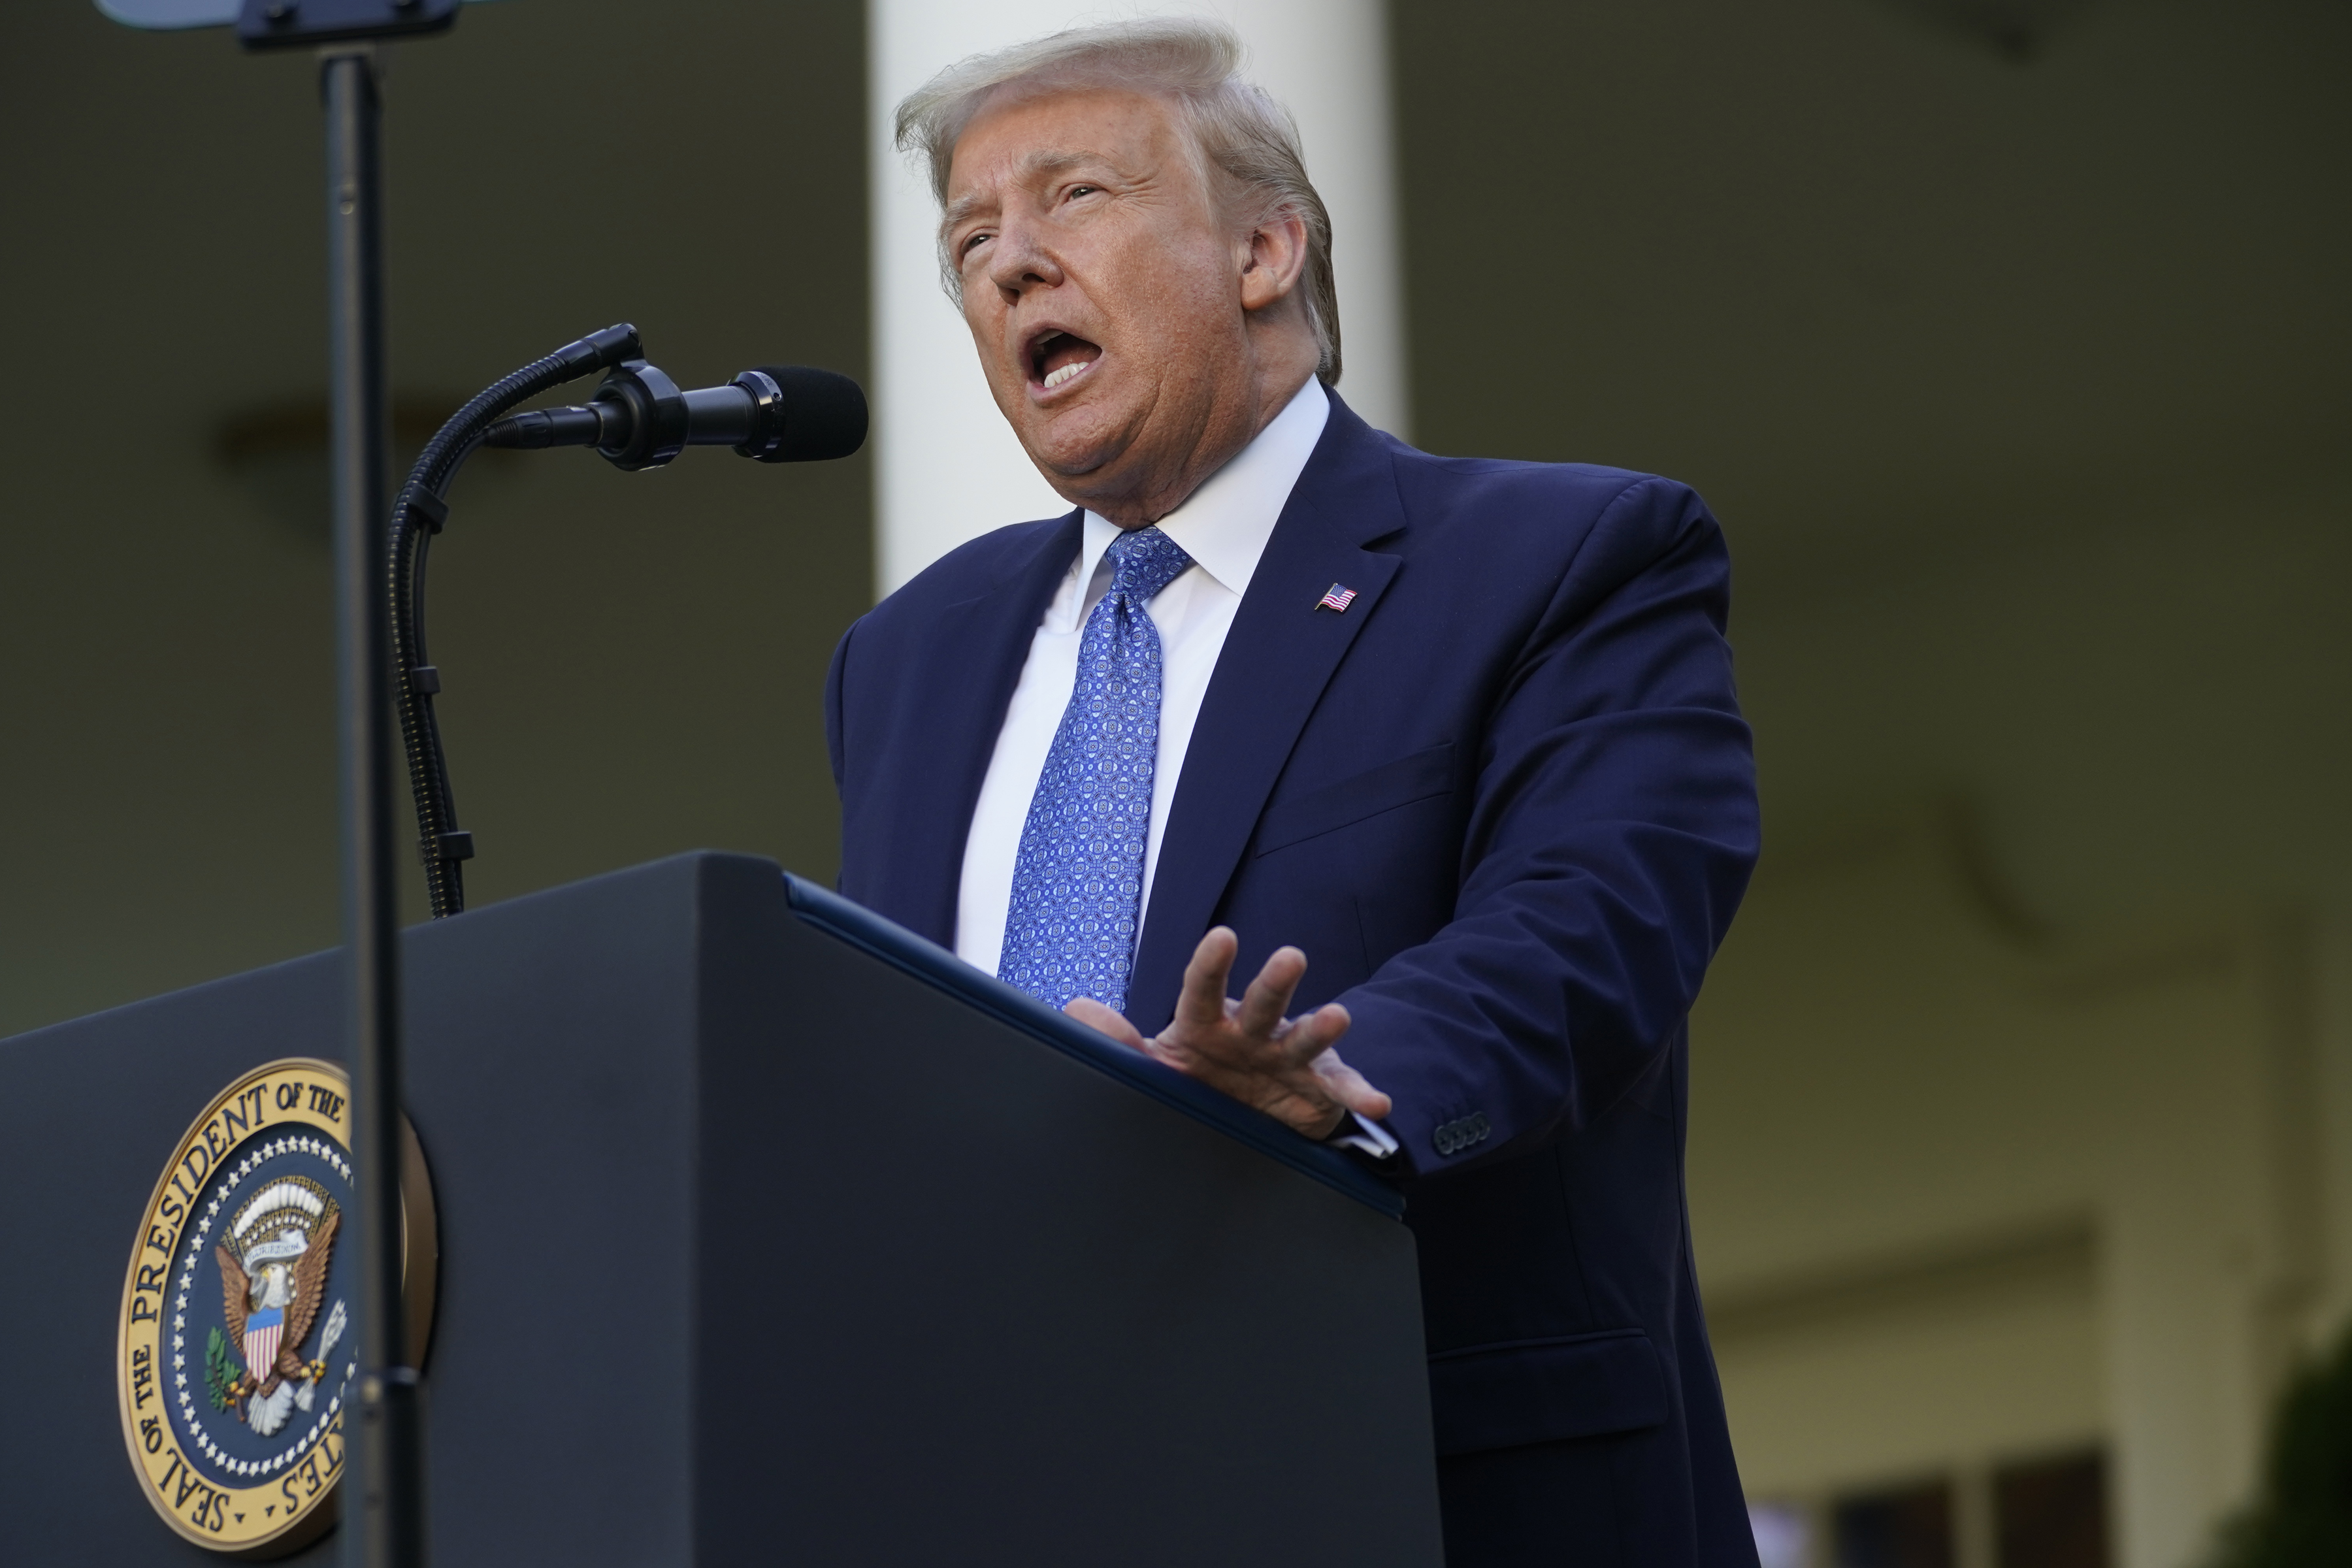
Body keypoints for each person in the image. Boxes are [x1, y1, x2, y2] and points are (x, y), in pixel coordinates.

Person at [826, 20, 1762, 1567]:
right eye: (971, 240)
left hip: (1430, 1484)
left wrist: (1338, 1082)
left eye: (1074, 199)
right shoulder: (906, 663)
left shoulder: (1557, 563)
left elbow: (1599, 918)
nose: (1009, 267)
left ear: (1267, 249)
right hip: (1005, 1494)